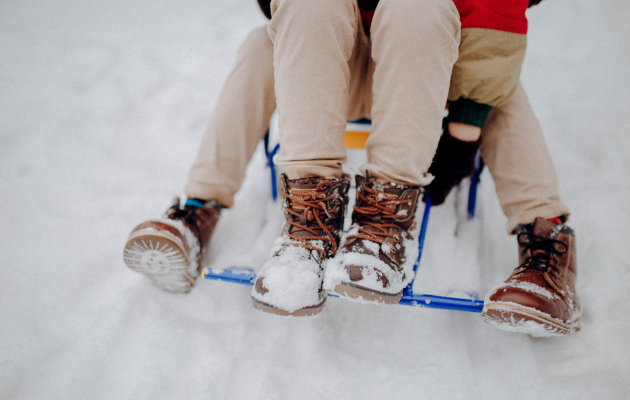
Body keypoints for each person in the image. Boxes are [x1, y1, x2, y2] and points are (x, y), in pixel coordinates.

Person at [123, 0, 580, 334]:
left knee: (487, 73)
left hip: (428, 58)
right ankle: (213, 211)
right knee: (269, 38)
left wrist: (465, 126)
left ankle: (543, 243)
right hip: (331, 54)